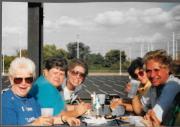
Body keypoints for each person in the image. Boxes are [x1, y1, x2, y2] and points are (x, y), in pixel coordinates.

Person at [29, 56, 87, 125]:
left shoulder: (42, 81)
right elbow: (57, 116)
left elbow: (59, 107)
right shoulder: (47, 88)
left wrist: (75, 107)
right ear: (46, 72)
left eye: (61, 74)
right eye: (55, 73)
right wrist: (77, 112)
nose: (58, 77)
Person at [1, 57, 53, 126]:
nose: (23, 83)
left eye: (28, 79)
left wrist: (63, 118)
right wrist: (34, 124)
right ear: (11, 80)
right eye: (18, 79)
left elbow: (44, 120)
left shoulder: (31, 99)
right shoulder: (5, 101)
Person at [142, 49, 180, 126]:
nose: (152, 75)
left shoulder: (173, 85)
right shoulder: (153, 87)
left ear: (168, 69)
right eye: (148, 71)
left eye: (156, 70)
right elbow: (140, 108)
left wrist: (149, 115)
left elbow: (154, 118)